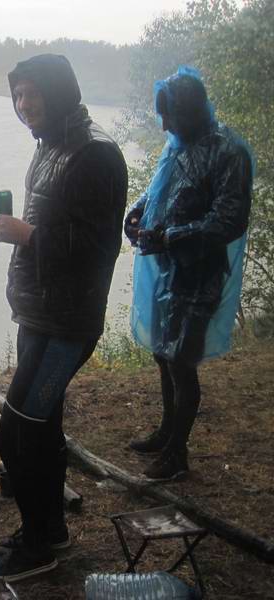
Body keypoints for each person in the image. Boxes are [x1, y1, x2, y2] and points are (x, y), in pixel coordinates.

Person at [0, 54, 128, 582]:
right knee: (42, 430)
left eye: (32, 94)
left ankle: (38, 543)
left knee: (19, 433)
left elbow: (100, 244)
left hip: (68, 324)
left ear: (59, 91)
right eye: (17, 96)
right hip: (37, 315)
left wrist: (30, 236)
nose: (24, 105)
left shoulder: (97, 155)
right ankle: (50, 531)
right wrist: (27, 239)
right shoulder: (48, 148)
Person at [125, 66, 253, 481]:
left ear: (192, 111)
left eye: (170, 117)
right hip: (168, 269)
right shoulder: (178, 143)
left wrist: (173, 236)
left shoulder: (228, 151)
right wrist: (139, 211)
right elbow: (160, 186)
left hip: (200, 274)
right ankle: (167, 432)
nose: (164, 126)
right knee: (164, 354)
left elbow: (230, 219)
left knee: (182, 361)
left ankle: (177, 456)